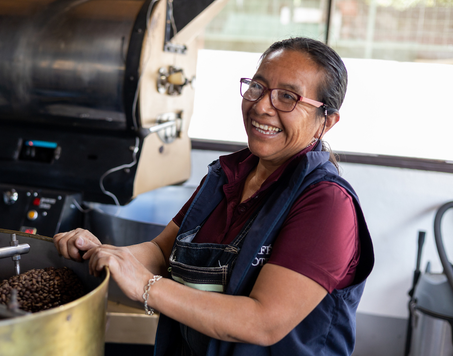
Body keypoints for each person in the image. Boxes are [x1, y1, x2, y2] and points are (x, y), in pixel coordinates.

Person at [54, 37, 374, 356]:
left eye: (288, 97)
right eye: (257, 87)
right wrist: (103, 254)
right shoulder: (225, 176)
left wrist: (146, 286)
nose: (262, 106)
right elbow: (161, 253)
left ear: (326, 122)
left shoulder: (326, 203)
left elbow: (263, 322)